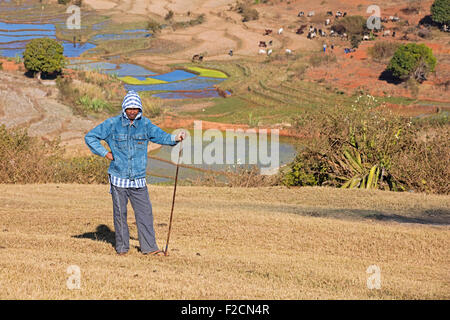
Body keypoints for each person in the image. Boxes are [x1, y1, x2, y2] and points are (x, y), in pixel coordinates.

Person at [85, 90, 185, 256]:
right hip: (118, 179)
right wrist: (105, 153)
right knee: (120, 214)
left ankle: (150, 248)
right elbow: (90, 137)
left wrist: (176, 138)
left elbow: (161, 136)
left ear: (140, 109)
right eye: (129, 108)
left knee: (145, 213)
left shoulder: (145, 125)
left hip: (138, 179)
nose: (132, 111)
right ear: (124, 108)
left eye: (135, 108)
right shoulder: (112, 124)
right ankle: (123, 248)